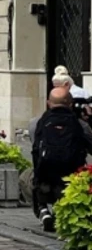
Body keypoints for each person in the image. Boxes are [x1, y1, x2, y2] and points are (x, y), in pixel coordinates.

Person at [29, 86, 92, 232]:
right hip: (72, 181)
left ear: (48, 103)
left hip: (44, 180)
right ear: (71, 104)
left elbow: (36, 151)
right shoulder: (80, 125)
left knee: (25, 176)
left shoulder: (36, 123)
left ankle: (43, 210)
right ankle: (62, 210)